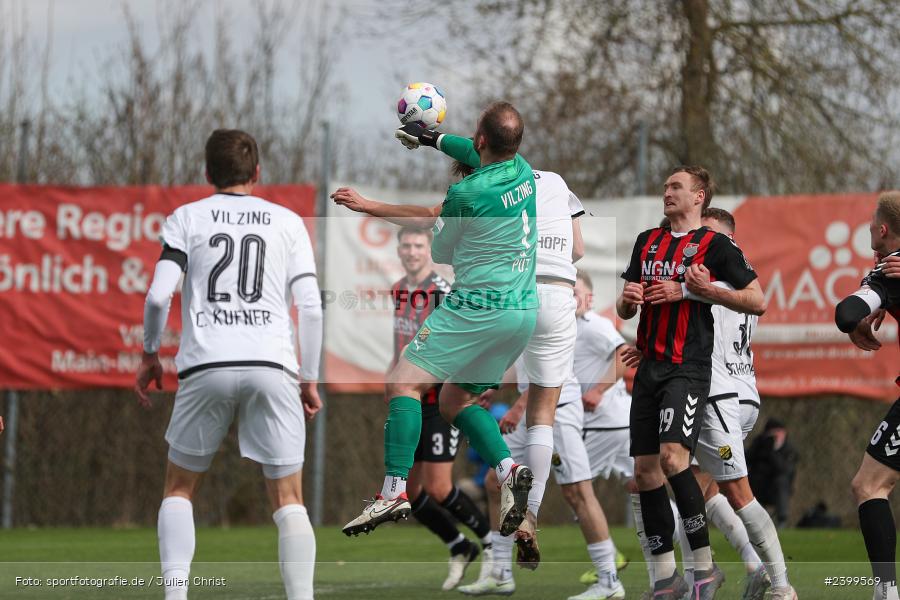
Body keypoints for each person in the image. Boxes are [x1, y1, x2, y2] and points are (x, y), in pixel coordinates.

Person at [134, 129, 323, 600]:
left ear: (207, 173)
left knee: (179, 489)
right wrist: (310, 378)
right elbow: (311, 307)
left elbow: (157, 296)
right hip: (272, 365)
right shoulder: (287, 222)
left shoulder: (186, 218)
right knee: (289, 499)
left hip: (206, 365)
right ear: (257, 172)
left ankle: (175, 596)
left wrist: (150, 353)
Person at [337, 102, 538, 543]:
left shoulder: (466, 194)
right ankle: (509, 469)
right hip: (522, 312)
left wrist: (368, 205)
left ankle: (393, 491)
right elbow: (472, 149)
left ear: (482, 140)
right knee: (454, 402)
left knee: (402, 384)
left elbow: (441, 251)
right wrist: (431, 139)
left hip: (477, 308)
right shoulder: (522, 169)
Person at [617, 166, 765, 600]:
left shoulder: (715, 245)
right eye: (665, 186)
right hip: (649, 368)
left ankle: (704, 567)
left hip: (688, 368)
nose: (667, 192)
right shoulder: (647, 241)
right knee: (644, 473)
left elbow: (757, 300)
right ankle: (667, 578)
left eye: (676, 187)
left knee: (673, 460)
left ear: (699, 196)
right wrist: (627, 301)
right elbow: (627, 307)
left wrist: (690, 290)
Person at [676, 208, 795, 600]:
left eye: (710, 235)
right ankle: (744, 567)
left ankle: (777, 582)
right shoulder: (742, 281)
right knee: (701, 489)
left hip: (720, 398)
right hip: (741, 395)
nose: (701, 242)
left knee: (729, 493)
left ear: (728, 241)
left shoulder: (716, 281)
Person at [389, 224, 493, 590]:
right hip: (411, 401)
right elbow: (400, 345)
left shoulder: (442, 292)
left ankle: (492, 545)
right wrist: (394, 378)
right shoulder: (399, 289)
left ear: (429, 250)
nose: (412, 251)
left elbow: (464, 339)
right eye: (406, 245)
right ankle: (459, 545)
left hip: (438, 401)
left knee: (438, 487)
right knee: (410, 493)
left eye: (418, 245)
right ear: (399, 250)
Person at [835, 190, 900, 600]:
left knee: (870, 485)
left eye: (872, 221)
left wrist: (858, 317)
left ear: (883, 229)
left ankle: (886, 590)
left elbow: (845, 313)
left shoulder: (888, 271)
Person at [746, 418, 798, 530]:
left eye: (780, 432)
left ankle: (782, 519)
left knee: (781, 481)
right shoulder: (759, 443)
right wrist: (762, 446)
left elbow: (784, 469)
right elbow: (748, 459)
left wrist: (772, 451)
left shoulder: (788, 449)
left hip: (776, 490)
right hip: (757, 486)